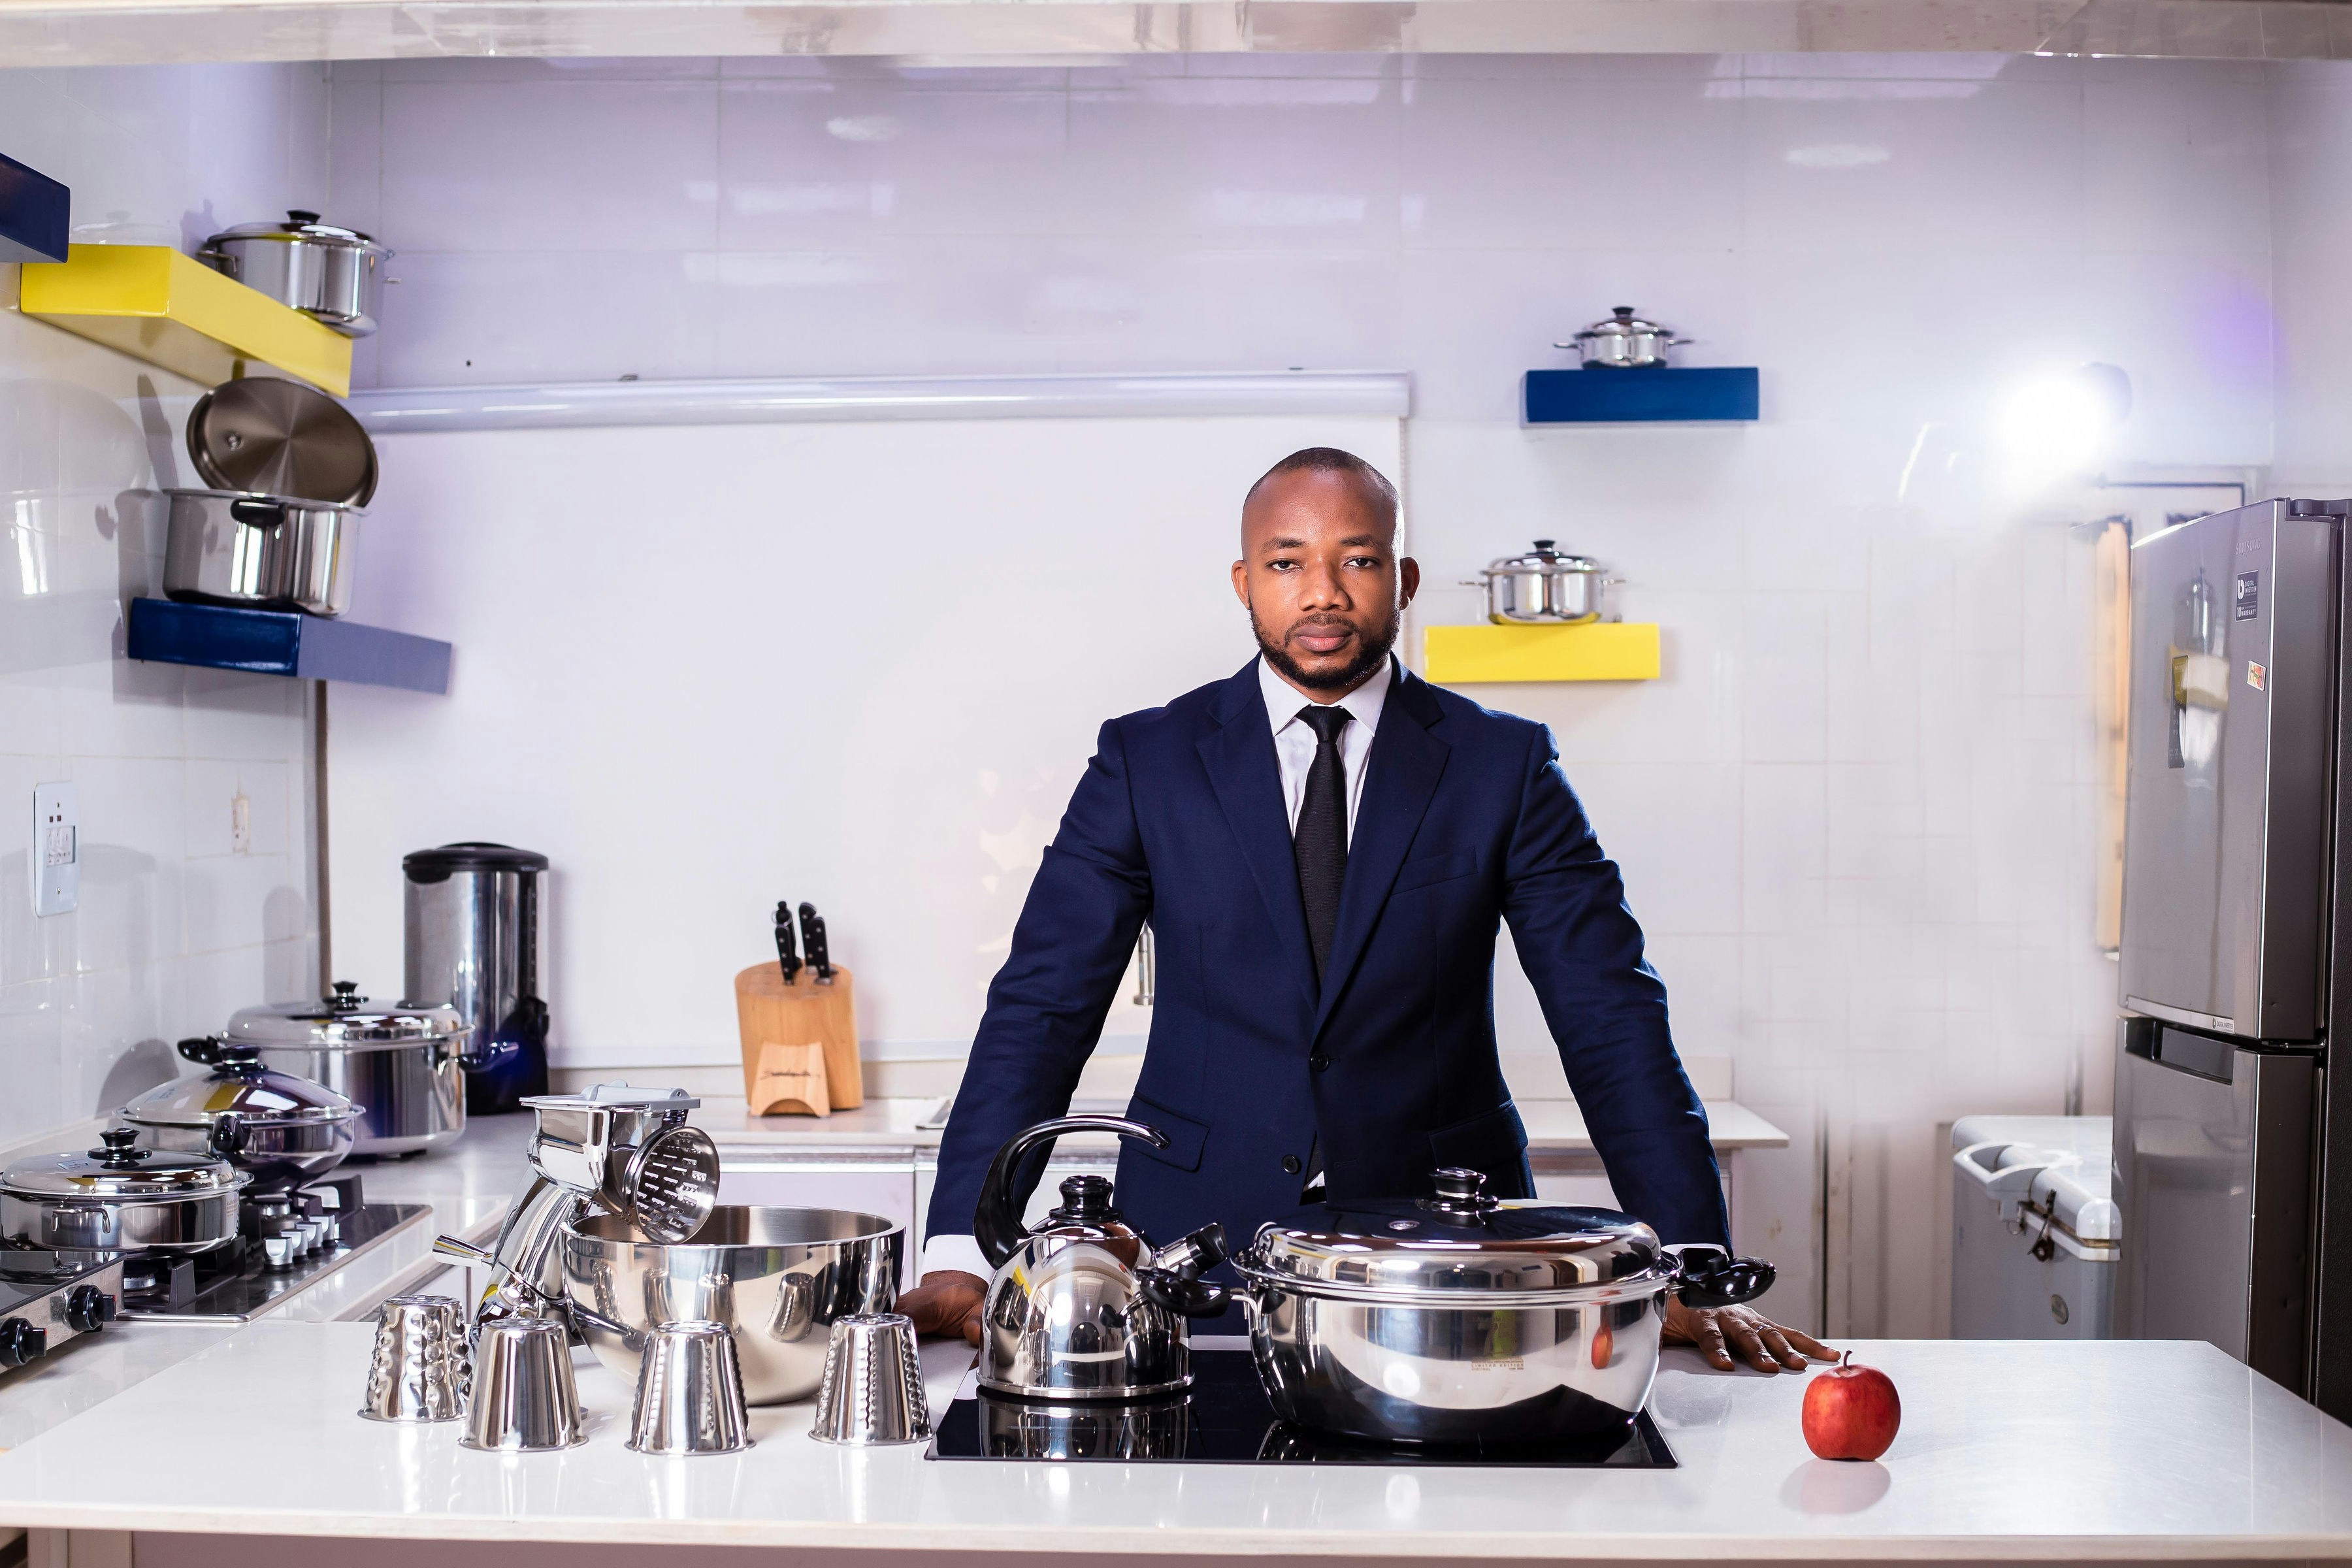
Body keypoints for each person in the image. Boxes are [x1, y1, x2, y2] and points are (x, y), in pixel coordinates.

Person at [902, 447, 1831, 1374]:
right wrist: (959, 1245)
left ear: (1403, 578)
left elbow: (1609, 1015)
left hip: (1449, 1251)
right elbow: (1043, 1004)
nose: (1323, 593)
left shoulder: (1501, 766)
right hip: (1196, 1248)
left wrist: (1685, 1262)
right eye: (1286, 562)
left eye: (1357, 559)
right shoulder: (1148, 760)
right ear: (1244, 583)